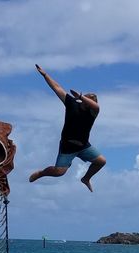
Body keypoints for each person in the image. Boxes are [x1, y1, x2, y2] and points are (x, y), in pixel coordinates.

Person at [29, 64, 106, 192]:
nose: (88, 104)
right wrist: (45, 75)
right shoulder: (72, 104)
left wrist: (81, 97)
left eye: (90, 103)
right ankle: (41, 173)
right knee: (59, 172)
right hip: (67, 147)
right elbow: (57, 88)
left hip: (83, 146)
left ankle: (85, 178)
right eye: (86, 101)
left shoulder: (92, 113)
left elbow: (97, 107)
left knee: (101, 161)